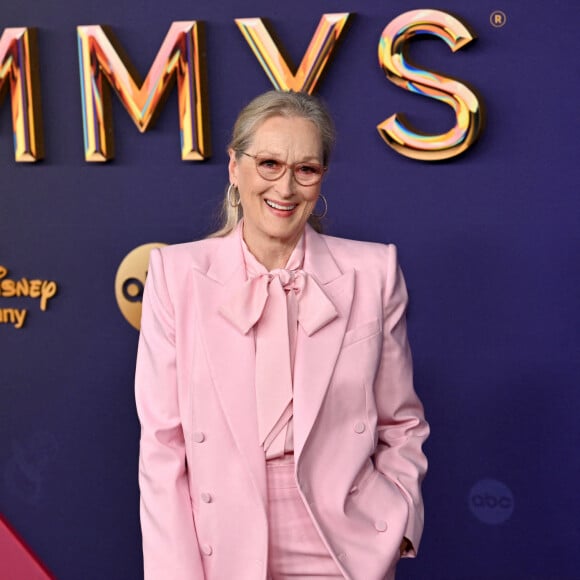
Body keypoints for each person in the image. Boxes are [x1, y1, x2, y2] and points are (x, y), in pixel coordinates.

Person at [135, 90, 429, 580]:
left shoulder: (373, 272)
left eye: (305, 170)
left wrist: (398, 519)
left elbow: (401, 422)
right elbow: (163, 447)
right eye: (269, 163)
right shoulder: (176, 273)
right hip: (221, 540)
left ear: (322, 178)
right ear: (234, 167)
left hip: (341, 541)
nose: (286, 187)